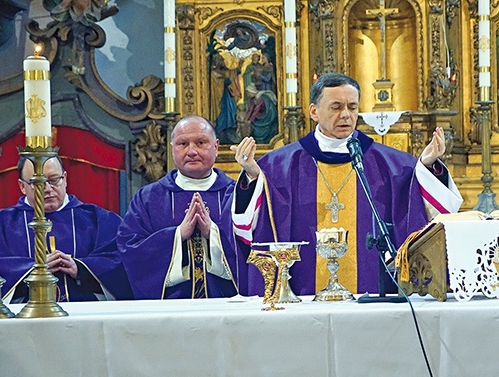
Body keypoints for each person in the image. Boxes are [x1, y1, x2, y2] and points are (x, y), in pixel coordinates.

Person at [231, 73, 463, 297]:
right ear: (314, 111)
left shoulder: (390, 164)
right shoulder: (280, 165)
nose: (346, 115)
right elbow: (254, 223)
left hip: (372, 293)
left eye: (352, 107)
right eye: (336, 107)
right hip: (303, 293)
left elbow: (416, 206)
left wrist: (428, 166)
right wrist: (252, 177)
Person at [118, 115, 240, 299]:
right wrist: (177, 235)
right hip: (170, 310)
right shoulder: (148, 198)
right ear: (172, 149)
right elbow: (129, 250)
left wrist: (212, 233)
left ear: (216, 147)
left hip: (228, 307)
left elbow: (254, 249)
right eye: (183, 144)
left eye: (200, 142)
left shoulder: (238, 195)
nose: (192, 151)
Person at [0, 155, 132, 302]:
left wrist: (80, 269)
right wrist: (33, 270)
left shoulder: (100, 220)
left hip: (86, 315)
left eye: (54, 180)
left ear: (65, 179)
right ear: (22, 186)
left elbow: (120, 263)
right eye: (37, 183)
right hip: (21, 317)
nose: (47, 189)